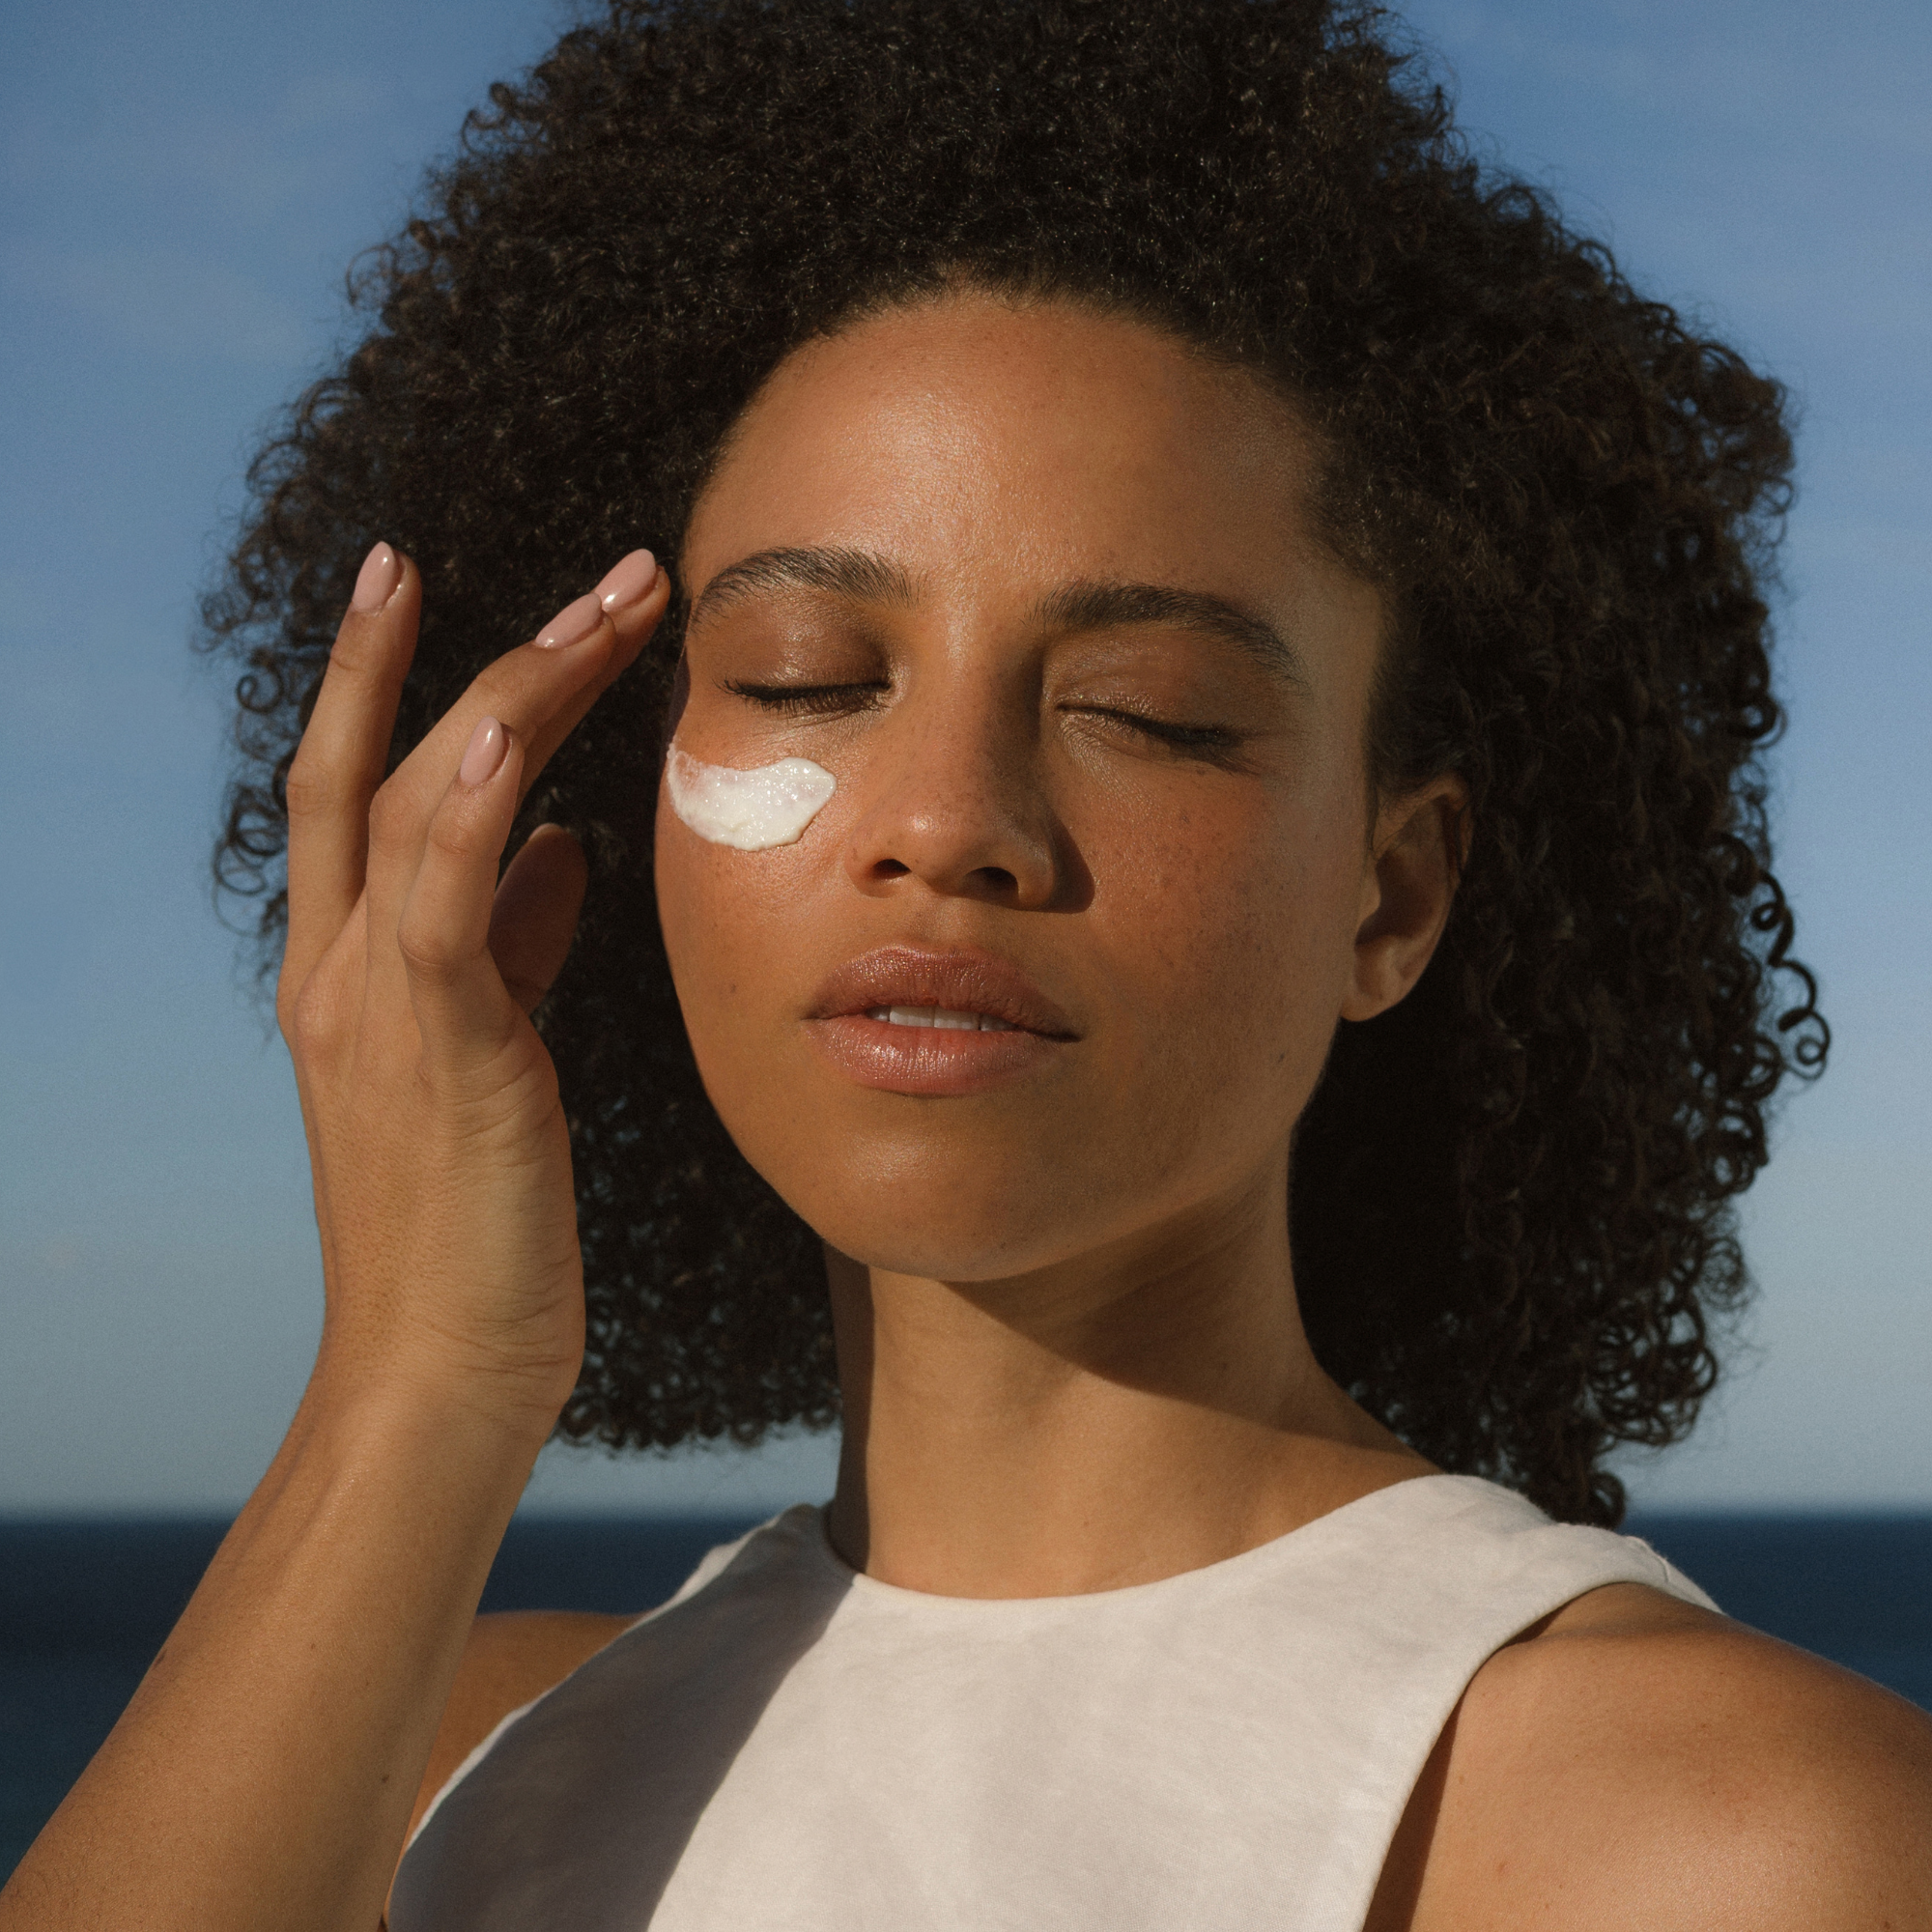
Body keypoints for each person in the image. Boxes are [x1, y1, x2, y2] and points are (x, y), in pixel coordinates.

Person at [7, 0, 1931, 1925]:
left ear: (1393, 896)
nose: (943, 818)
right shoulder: (440, 1770)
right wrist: (419, 1374)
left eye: (1152, 710)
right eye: (804, 680)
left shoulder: (1748, 1839)